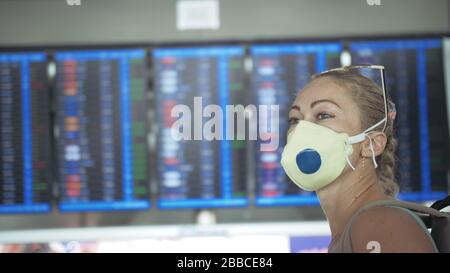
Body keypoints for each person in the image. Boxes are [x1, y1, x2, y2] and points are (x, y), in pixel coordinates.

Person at [281, 65, 437, 253]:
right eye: (295, 119)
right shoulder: (360, 227)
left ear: (371, 144)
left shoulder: (379, 224)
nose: (303, 130)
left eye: (323, 115)